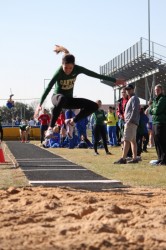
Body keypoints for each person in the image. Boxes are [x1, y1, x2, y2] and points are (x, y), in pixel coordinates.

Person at [35, 45, 125, 140]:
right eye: (66, 68)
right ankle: (50, 128)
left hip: (69, 100)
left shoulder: (77, 69)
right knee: (62, 98)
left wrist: (114, 80)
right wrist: (40, 104)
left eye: (70, 68)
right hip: (57, 98)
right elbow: (49, 87)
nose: (68, 71)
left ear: (74, 65)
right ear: (62, 65)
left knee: (94, 106)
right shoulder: (59, 72)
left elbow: (95, 75)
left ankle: (72, 121)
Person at [114, 84, 140, 164]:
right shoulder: (132, 98)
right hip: (132, 122)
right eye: (127, 89)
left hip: (130, 122)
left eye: (129, 89)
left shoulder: (134, 98)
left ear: (133, 89)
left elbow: (135, 110)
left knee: (126, 140)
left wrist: (129, 121)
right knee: (133, 141)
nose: (128, 91)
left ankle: (123, 158)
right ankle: (135, 158)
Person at [149, 84, 166, 166]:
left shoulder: (163, 99)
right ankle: (159, 158)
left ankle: (164, 159)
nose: (156, 91)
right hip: (155, 122)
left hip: (161, 122)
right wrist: (153, 109)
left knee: (161, 141)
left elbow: (157, 110)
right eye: (155, 90)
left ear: (162, 90)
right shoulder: (155, 100)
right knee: (156, 141)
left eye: (158, 90)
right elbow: (150, 111)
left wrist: (153, 109)